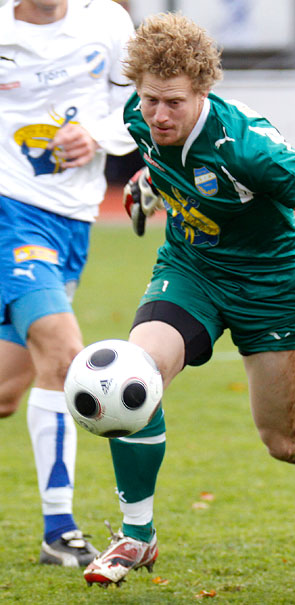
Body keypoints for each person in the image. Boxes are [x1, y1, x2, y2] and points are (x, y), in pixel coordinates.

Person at [82, 12, 295, 587]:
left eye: (173, 102)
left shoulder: (251, 147)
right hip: (191, 270)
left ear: (203, 90)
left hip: (269, 288)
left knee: (284, 440)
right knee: (135, 374)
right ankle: (137, 534)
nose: (158, 114)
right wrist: (147, 185)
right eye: (150, 99)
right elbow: (169, 166)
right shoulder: (140, 117)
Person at [0, 0, 135, 566]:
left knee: (7, 393)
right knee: (64, 352)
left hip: (74, 220)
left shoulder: (107, 21)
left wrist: (99, 137)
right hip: (12, 214)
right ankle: (60, 532)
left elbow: (136, 108)